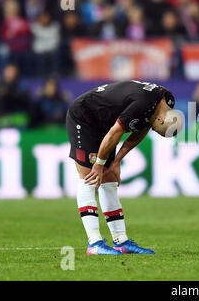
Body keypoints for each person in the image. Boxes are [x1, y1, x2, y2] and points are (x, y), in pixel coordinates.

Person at [66, 80, 183, 255]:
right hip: (85, 117)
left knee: (110, 179)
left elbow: (143, 127)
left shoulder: (166, 100)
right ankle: (94, 243)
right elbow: (115, 133)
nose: (153, 129)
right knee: (89, 177)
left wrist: (116, 161)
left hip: (105, 123)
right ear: (160, 119)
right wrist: (98, 165)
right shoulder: (142, 103)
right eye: (157, 129)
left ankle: (121, 241)